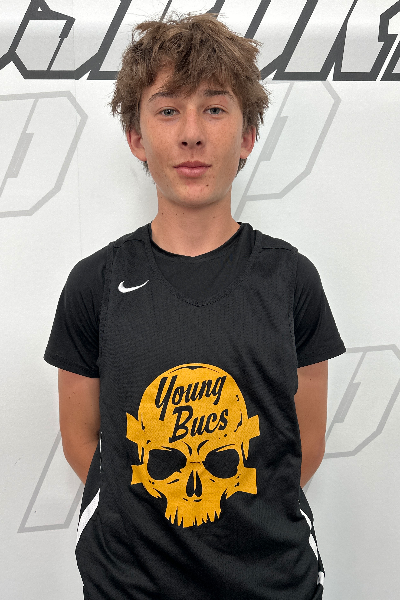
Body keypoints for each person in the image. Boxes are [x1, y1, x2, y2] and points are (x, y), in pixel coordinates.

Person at [44, 12, 346, 600]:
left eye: (213, 108)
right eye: (167, 110)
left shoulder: (292, 280)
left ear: (247, 136)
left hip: (273, 583)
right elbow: (83, 441)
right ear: (136, 137)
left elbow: (303, 442)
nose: (191, 134)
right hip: (129, 585)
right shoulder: (94, 284)